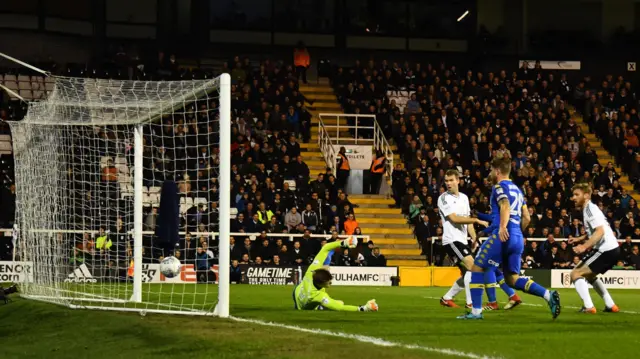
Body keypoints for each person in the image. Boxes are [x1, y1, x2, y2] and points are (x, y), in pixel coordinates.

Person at [459, 156, 561, 320]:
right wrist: (515, 231)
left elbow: (505, 205)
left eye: (492, 170)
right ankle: (549, 295)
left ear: (497, 171)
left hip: (502, 236)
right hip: (517, 237)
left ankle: (476, 312)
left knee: (477, 268)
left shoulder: (499, 187)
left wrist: (502, 228)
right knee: (512, 279)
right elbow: (527, 217)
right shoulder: (518, 191)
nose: (491, 173)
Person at [437, 169, 489, 309]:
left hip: (462, 240)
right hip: (451, 240)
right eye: (446, 181)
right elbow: (454, 218)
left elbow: (467, 222)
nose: (448, 183)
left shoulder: (464, 198)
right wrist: (477, 220)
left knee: (468, 272)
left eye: (451, 180)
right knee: (473, 267)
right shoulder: (443, 198)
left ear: (458, 180)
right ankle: (471, 303)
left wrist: (474, 239)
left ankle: (447, 298)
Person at [568, 183, 620, 313]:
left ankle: (588, 307)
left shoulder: (590, 209)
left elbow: (600, 231)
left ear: (586, 195)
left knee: (575, 273)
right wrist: (579, 238)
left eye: (576, 195)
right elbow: (594, 230)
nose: (573, 198)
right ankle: (610, 305)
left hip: (605, 249)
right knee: (590, 276)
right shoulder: (589, 209)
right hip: (612, 249)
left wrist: (584, 246)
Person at [293, 236, 379, 312]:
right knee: (338, 303)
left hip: (296, 292)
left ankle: (321, 306)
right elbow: (339, 308)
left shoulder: (312, 270)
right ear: (321, 284)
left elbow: (325, 247)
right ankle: (320, 307)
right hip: (302, 307)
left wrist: (344, 242)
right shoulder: (318, 296)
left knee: (333, 302)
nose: (330, 282)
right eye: (328, 282)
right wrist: (363, 308)